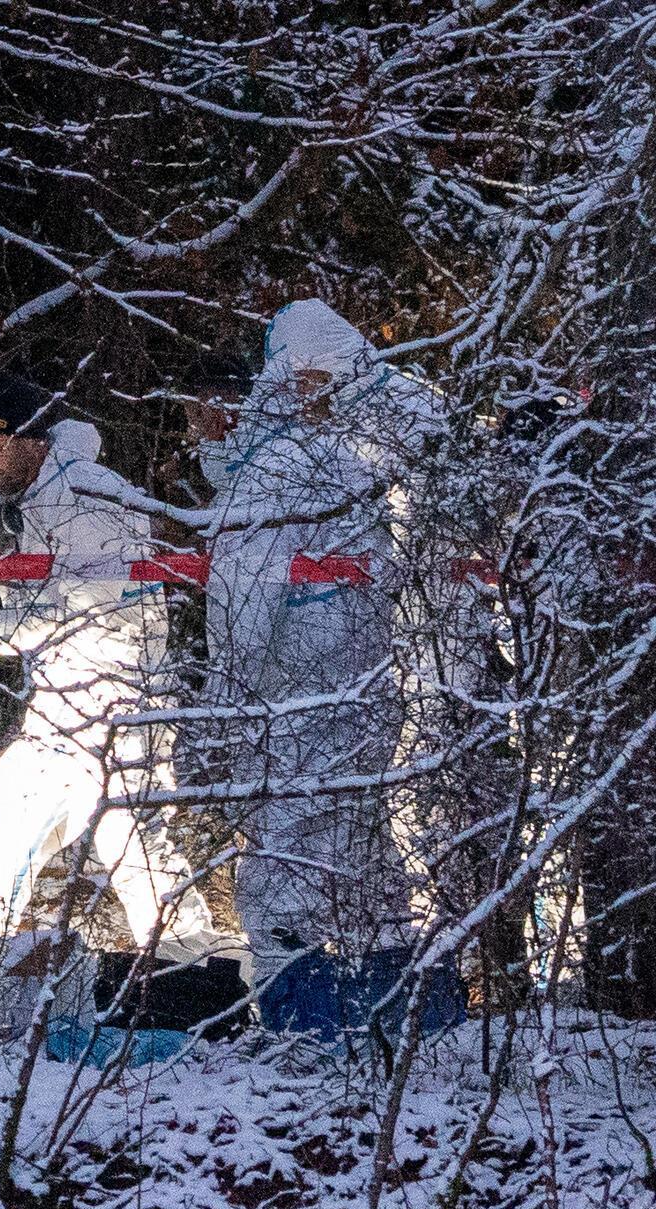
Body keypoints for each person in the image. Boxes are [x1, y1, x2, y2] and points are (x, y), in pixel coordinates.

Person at [193, 298, 457, 1037]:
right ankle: (405, 1026)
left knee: (283, 859)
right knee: (364, 851)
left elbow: (242, 594)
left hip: (293, 693)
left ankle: (302, 1031)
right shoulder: (373, 454)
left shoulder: (281, 467)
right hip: (369, 681)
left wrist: (225, 693)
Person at [0, 376, 222, 972]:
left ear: (27, 439)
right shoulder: (18, 499)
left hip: (121, 706)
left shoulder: (88, 499)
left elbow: (78, 614)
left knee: (141, 856)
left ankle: (199, 980)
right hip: (55, 708)